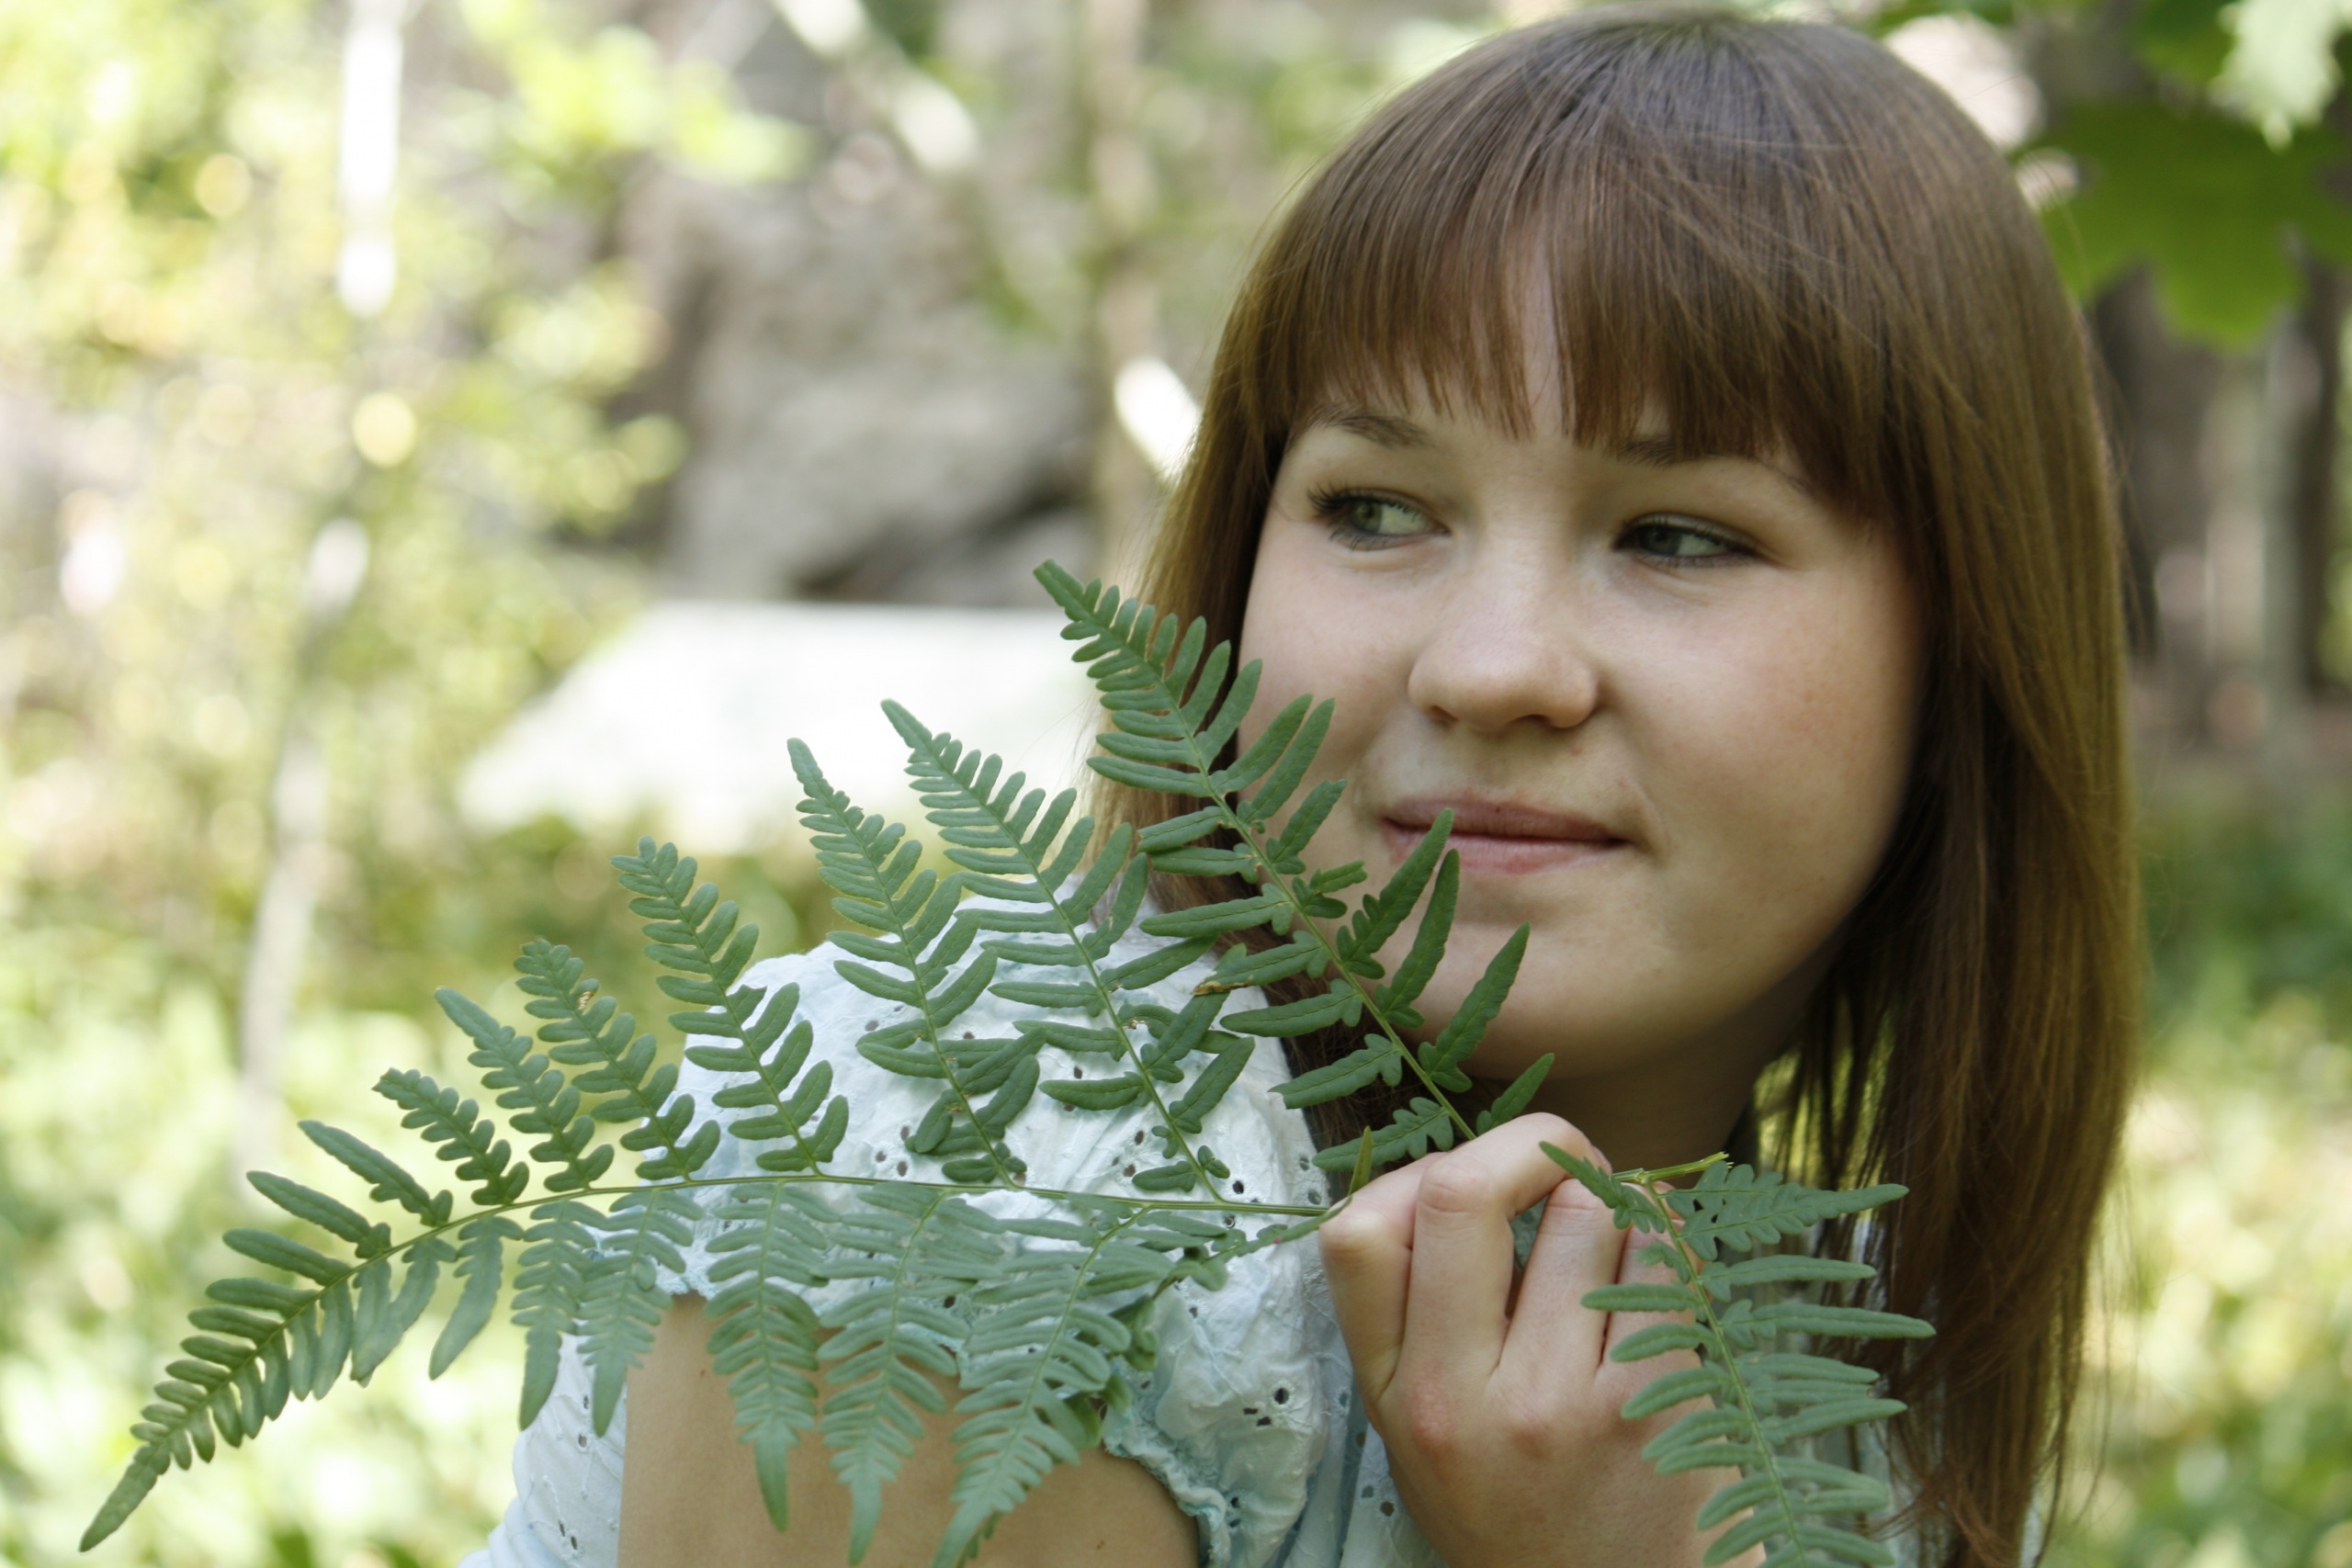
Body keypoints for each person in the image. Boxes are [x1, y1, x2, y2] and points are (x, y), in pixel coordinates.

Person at [468, 7, 2138, 1566]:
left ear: (1962, 662)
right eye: (1377, 509)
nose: (1489, 666)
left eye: (1679, 536)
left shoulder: (1853, 1345)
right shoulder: (985, 1177)